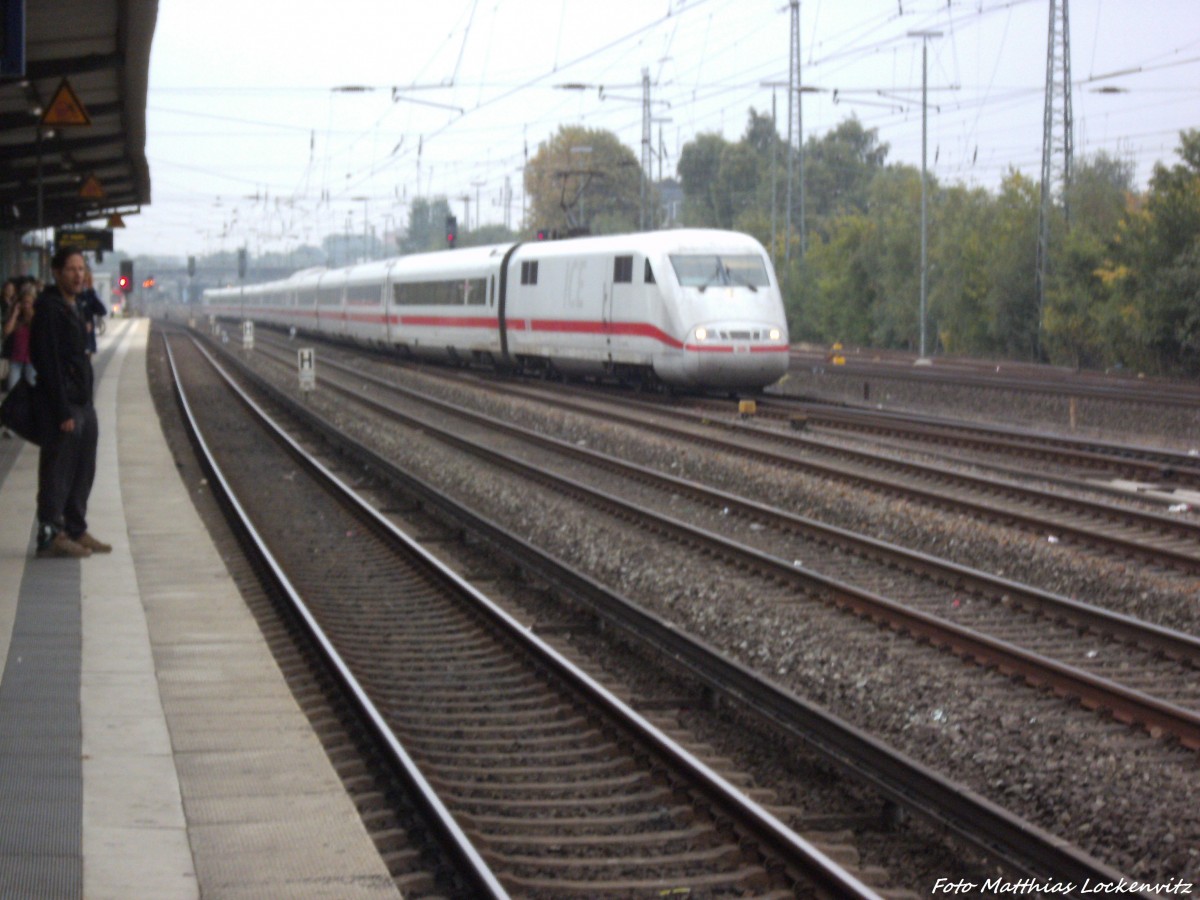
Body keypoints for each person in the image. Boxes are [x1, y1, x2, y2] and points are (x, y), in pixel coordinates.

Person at [29, 247, 111, 559]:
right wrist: (62, 409)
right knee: (58, 470)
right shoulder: (49, 309)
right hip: (62, 406)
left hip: (81, 402)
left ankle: (75, 527)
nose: (78, 275)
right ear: (57, 272)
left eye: (81, 269)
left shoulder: (74, 306)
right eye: (72, 269)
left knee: (83, 467)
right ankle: (51, 533)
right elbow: (47, 361)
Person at [76, 267, 107, 356]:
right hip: (78, 337)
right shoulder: (75, 296)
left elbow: (102, 311)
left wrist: (91, 292)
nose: (86, 285)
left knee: (87, 363)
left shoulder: (90, 295)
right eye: (85, 282)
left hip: (89, 337)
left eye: (88, 282)